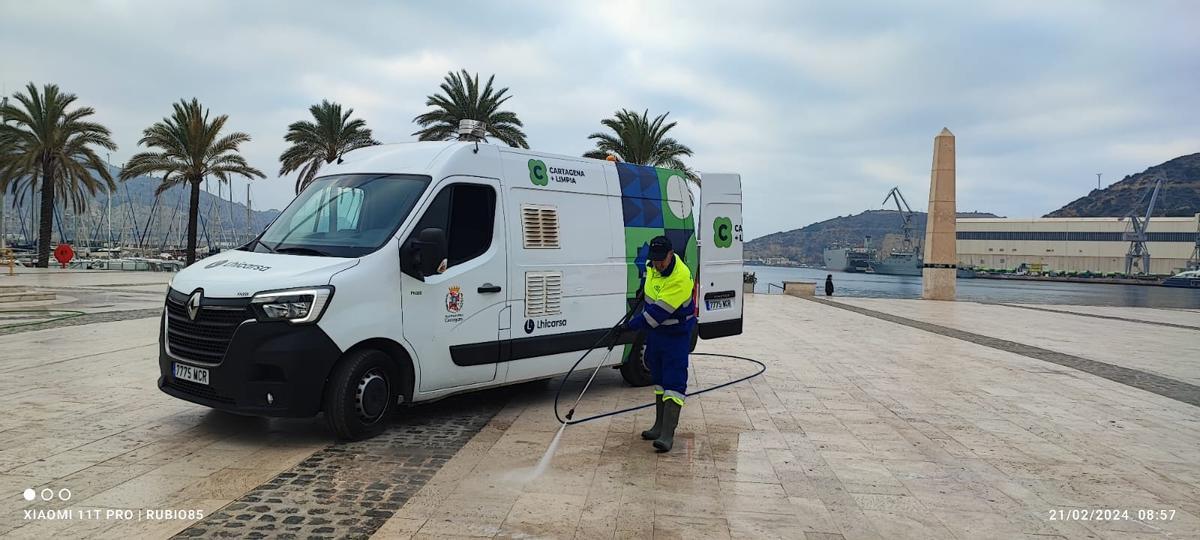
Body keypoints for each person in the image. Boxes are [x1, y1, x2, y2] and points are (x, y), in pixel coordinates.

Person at [621, 236, 695, 452]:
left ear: (671, 254)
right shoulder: (652, 266)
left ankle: (667, 434)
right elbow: (649, 294)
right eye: (654, 260)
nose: (657, 264)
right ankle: (658, 425)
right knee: (659, 376)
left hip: (676, 334)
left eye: (661, 260)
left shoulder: (680, 277)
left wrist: (630, 325)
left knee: (674, 380)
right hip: (657, 334)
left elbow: (656, 314)